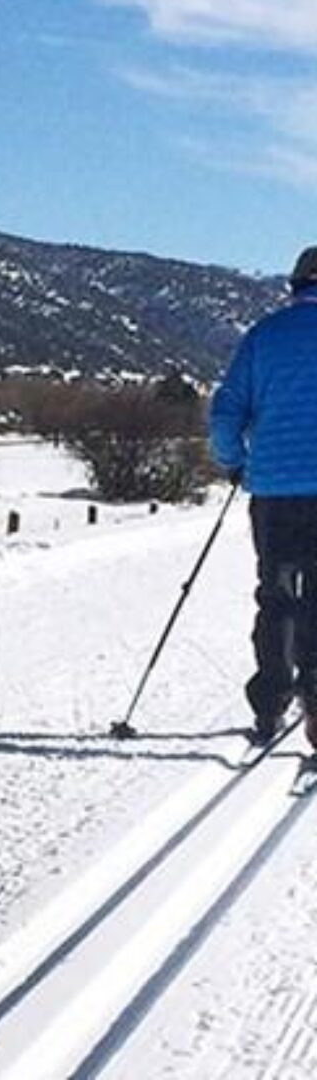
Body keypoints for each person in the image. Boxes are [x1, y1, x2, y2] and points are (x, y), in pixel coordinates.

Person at [209, 245, 317, 746]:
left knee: (275, 595)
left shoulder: (264, 335)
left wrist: (234, 462)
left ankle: (270, 706)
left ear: (296, 285)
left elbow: (227, 410)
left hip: (273, 490)